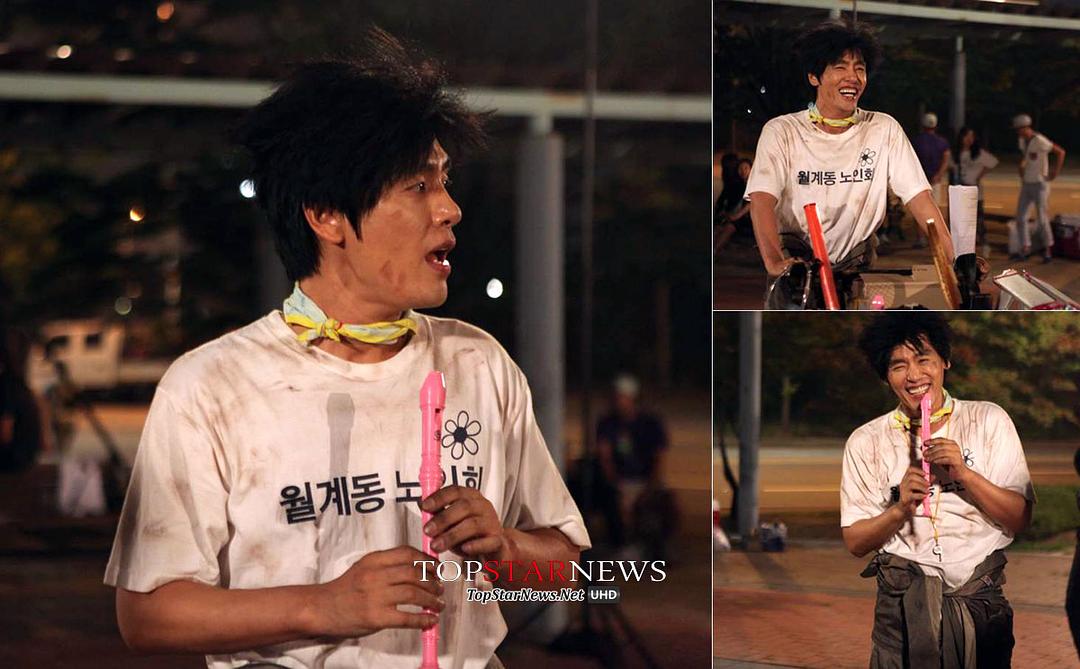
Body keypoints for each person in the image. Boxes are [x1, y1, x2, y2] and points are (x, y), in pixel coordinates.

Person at [104, 30, 589, 669]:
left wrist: (504, 548)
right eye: (418, 186)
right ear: (327, 215)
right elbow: (147, 615)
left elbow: (569, 573)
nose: (450, 209)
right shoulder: (211, 385)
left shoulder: (479, 364)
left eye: (445, 181)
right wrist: (323, 606)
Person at [842, 312, 1034, 668]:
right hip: (901, 611)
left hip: (979, 607)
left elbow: (1020, 518)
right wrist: (900, 509)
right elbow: (855, 542)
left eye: (923, 359)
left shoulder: (988, 420)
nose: (914, 375)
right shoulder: (866, 441)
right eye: (898, 365)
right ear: (886, 376)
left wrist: (965, 474)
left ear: (945, 360)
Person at [745, 20, 955, 285]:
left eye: (860, 68)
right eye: (840, 67)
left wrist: (953, 259)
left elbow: (920, 199)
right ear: (814, 76)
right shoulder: (782, 131)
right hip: (797, 267)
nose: (852, 77)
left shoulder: (883, 129)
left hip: (857, 267)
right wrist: (775, 261)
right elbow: (762, 199)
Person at [595, 374, 669, 553]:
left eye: (622, 397)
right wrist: (615, 483)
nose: (618, 401)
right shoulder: (608, 423)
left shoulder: (650, 423)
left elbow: (659, 457)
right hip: (620, 481)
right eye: (616, 397)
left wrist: (651, 485)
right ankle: (623, 543)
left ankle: (651, 545)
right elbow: (605, 456)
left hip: (644, 480)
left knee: (661, 504)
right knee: (619, 503)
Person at [1013, 113, 1066, 263]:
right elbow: (1026, 157)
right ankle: (1025, 248)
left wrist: (1055, 171)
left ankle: (1048, 250)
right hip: (1027, 183)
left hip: (1040, 184)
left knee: (1042, 218)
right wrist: (1022, 166)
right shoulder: (1022, 141)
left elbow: (1060, 152)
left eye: (1018, 129)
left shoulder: (1039, 140)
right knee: (1021, 217)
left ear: (1025, 128)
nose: (1017, 132)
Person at [952, 126, 998, 247]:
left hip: (974, 188)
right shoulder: (957, 153)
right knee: (963, 217)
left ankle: (982, 239)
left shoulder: (978, 153)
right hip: (960, 189)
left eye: (971, 136)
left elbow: (993, 162)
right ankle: (966, 240)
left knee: (978, 216)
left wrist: (979, 176)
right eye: (966, 136)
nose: (969, 139)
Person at [910, 113, 950, 249]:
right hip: (935, 180)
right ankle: (935, 240)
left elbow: (912, 160)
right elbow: (946, 159)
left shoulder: (916, 141)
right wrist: (939, 174)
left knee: (919, 209)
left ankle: (920, 238)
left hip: (920, 180)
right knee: (935, 210)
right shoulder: (942, 142)